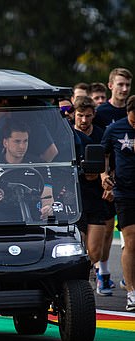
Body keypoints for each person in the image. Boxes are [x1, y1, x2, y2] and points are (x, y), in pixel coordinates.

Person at [73, 96, 115, 295]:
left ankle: (87, 274)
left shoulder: (102, 134)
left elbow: (111, 163)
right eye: (80, 115)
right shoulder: (68, 135)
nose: (83, 120)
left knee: (95, 252)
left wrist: (108, 182)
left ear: (94, 115)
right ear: (74, 114)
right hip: (75, 198)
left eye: (88, 116)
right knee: (76, 248)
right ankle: (76, 286)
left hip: (97, 197)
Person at [0, 120, 54, 223]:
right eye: (17, 141)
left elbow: (47, 197)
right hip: (1, 215)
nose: (22, 146)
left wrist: (47, 208)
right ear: (5, 142)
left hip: (32, 213)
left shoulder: (40, 164)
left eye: (25, 141)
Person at [101, 95, 135, 312]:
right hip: (124, 192)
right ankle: (131, 292)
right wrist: (104, 174)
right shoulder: (116, 128)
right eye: (133, 120)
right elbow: (103, 153)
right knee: (131, 242)